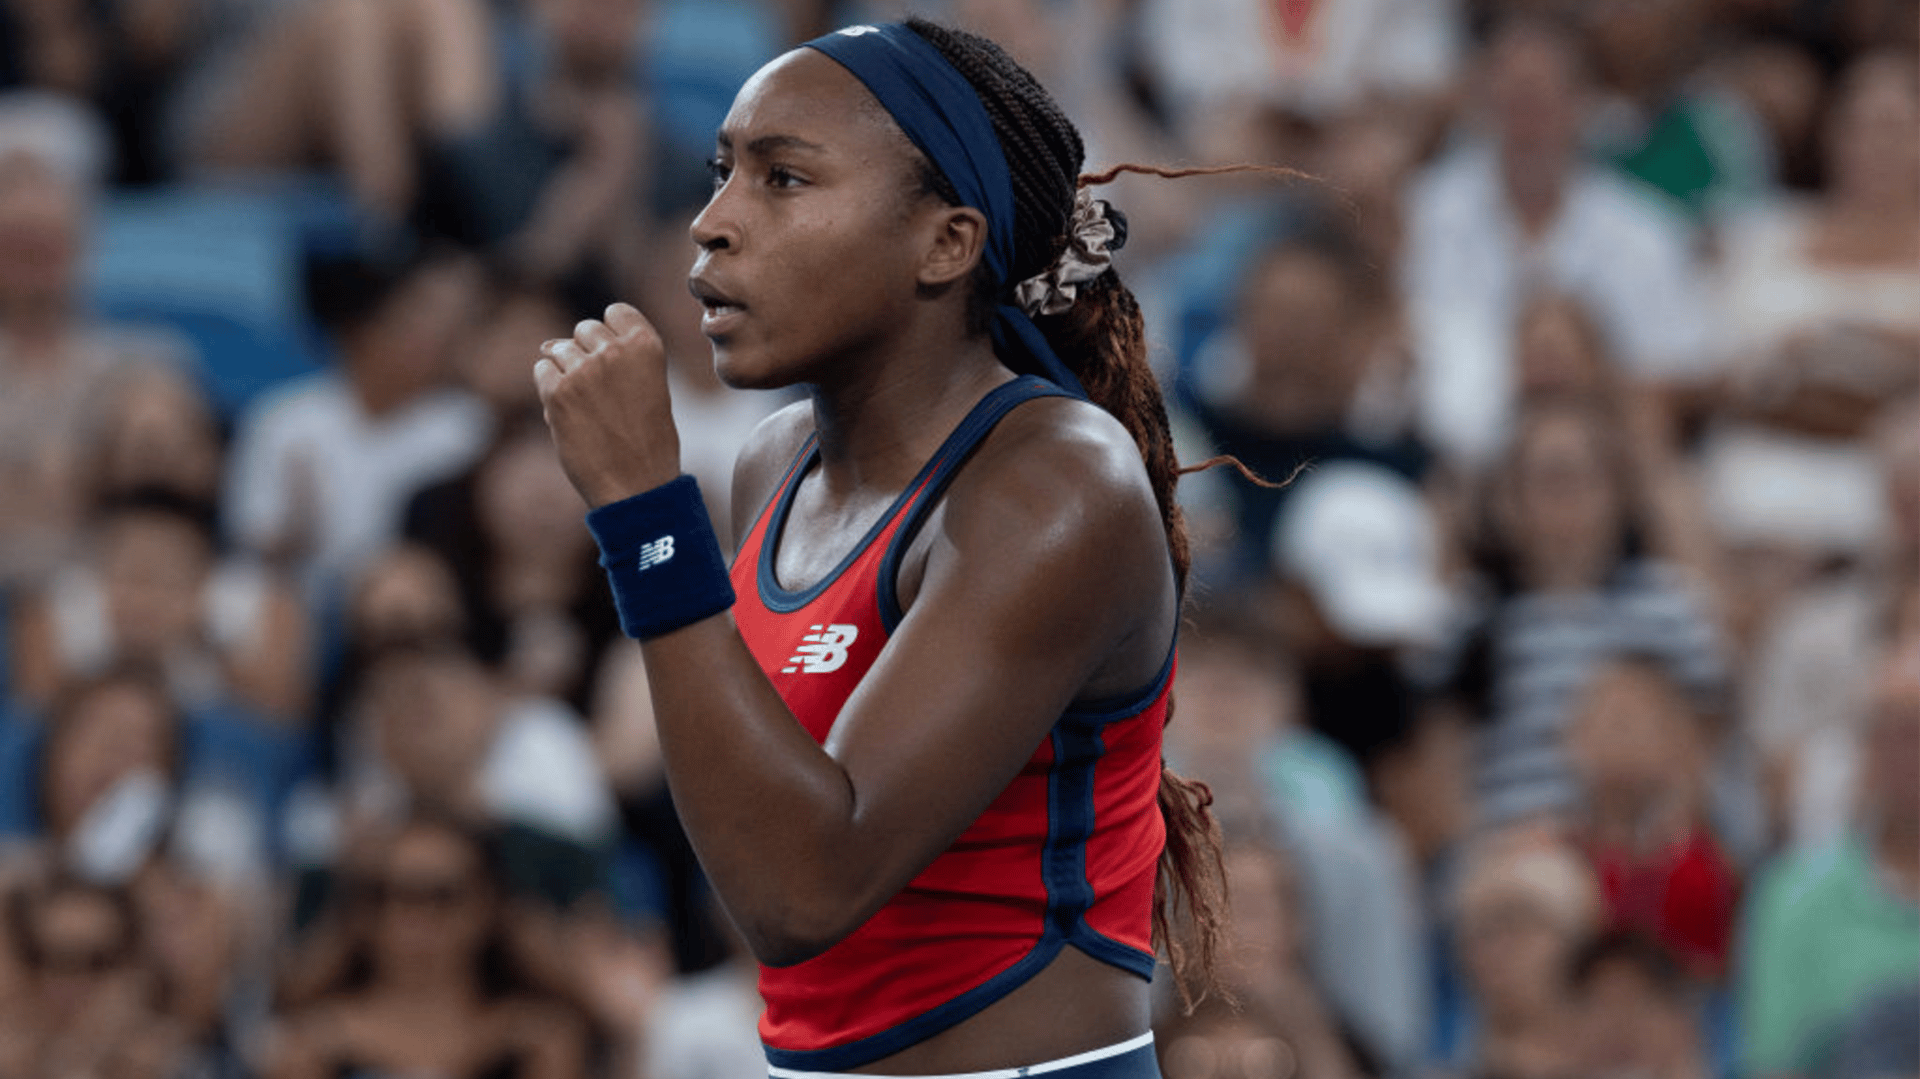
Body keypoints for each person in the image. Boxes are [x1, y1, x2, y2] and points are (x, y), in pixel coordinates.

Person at [534, 17, 1222, 1075]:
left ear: (946, 242)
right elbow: (748, 827)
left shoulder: (1053, 484)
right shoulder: (774, 463)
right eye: (723, 171)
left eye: (783, 179)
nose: (712, 222)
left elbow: (804, 891)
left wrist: (642, 514)